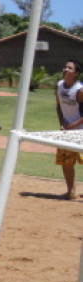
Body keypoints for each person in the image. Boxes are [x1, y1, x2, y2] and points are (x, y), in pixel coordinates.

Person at [55, 59, 83, 199]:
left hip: (80, 130)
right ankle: (71, 191)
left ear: (76, 73)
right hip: (66, 130)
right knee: (65, 161)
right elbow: (58, 106)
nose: (65, 69)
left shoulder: (80, 90)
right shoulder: (59, 85)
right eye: (65, 67)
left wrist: (72, 125)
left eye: (70, 68)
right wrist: (62, 123)